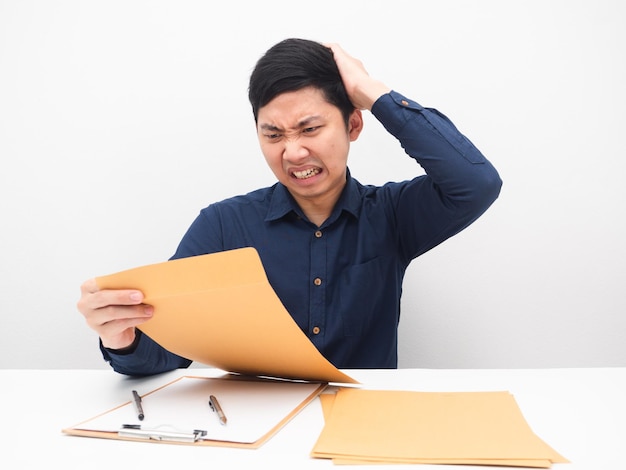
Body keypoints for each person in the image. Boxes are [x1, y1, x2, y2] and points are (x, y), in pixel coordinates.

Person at [77, 38, 502, 376]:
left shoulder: (391, 214)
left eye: (310, 128)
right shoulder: (223, 224)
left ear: (353, 124)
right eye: (274, 134)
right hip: (255, 431)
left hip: (362, 425)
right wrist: (123, 337)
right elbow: (167, 352)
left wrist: (374, 95)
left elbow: (475, 183)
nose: (294, 152)